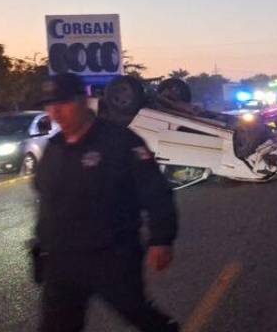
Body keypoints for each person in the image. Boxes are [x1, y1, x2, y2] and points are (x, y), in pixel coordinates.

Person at [32, 73, 179, 332]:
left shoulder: (119, 142)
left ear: (82, 101)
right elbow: (47, 200)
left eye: (63, 103)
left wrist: (161, 239)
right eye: (49, 104)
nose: (55, 112)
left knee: (138, 313)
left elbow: (155, 192)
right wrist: (43, 246)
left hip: (111, 256)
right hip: (62, 261)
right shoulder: (54, 148)